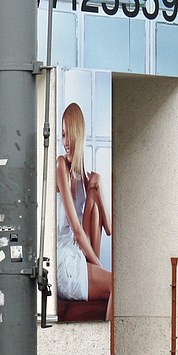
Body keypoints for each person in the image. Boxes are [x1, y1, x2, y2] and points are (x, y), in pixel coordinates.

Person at [55, 102, 112, 318]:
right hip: (66, 263)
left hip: (80, 256)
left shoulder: (85, 176)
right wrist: (99, 267)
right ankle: (108, 347)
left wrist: (100, 188)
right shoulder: (61, 166)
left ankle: (107, 344)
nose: (66, 142)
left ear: (80, 135)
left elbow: (108, 229)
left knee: (94, 196)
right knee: (115, 284)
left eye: (70, 135)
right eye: (63, 135)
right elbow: (77, 232)